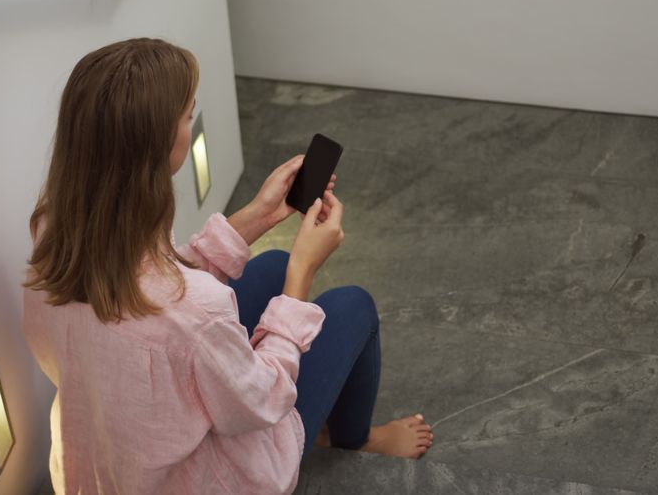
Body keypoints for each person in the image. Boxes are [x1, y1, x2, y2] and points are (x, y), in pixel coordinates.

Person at [22, 38, 433, 495]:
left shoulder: (55, 234)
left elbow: (152, 285)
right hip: (209, 482)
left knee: (270, 262)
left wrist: (258, 215)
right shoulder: (198, 313)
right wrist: (302, 271)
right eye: (187, 113)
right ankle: (356, 439)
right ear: (160, 143)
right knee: (351, 305)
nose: (192, 117)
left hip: (104, 467)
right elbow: (261, 400)